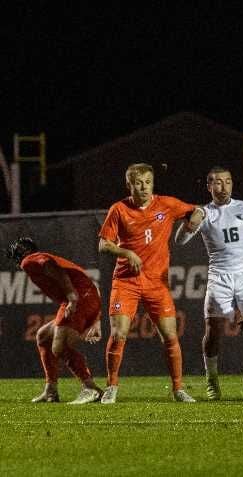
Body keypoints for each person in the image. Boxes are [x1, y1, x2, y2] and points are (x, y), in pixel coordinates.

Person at [174, 166, 243, 400]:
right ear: (209, 186)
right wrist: (189, 223)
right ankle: (212, 381)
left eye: (227, 181)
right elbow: (180, 241)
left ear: (232, 184)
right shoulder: (205, 213)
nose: (222, 186)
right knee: (213, 331)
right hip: (219, 279)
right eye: (216, 182)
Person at [98, 163, 206, 403]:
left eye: (148, 182)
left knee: (170, 336)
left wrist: (193, 221)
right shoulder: (119, 209)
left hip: (157, 283)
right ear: (129, 185)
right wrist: (126, 253)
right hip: (126, 281)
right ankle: (112, 387)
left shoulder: (166, 204)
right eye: (138, 183)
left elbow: (197, 210)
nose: (144, 187)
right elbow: (103, 245)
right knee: (119, 333)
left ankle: (178, 389)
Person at [8, 237, 104, 404]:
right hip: (86, 297)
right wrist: (96, 319)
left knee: (60, 347)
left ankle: (91, 388)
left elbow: (49, 265)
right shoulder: (38, 258)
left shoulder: (29, 260)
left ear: (22, 253)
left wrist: (72, 297)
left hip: (78, 298)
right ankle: (51, 390)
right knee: (43, 336)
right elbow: (88, 285)